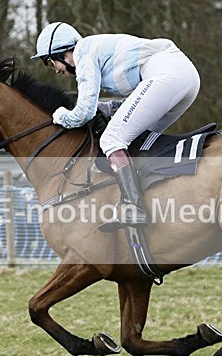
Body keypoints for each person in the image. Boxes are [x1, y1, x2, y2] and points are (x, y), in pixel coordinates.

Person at [31, 21, 201, 228]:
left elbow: (84, 113)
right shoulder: (94, 50)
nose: (56, 71)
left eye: (50, 62)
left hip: (168, 75)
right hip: (185, 78)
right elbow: (137, 99)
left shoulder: (84, 54)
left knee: (112, 139)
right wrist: (109, 108)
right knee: (138, 139)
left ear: (63, 54)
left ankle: (133, 206)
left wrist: (60, 116)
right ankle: (158, 196)